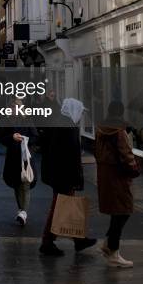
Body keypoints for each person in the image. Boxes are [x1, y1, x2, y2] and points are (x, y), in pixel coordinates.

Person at [39, 97, 96, 256]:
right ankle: (47, 241)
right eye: (80, 112)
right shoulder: (68, 127)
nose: (81, 115)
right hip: (64, 175)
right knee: (59, 207)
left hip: (59, 174)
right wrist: (75, 177)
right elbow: (70, 154)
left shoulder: (59, 123)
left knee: (66, 206)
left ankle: (78, 240)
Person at [95, 100, 139, 268]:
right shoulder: (119, 131)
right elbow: (126, 154)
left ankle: (108, 245)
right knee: (123, 211)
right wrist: (134, 169)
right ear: (120, 113)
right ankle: (113, 251)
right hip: (118, 178)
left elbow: (97, 152)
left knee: (117, 212)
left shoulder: (100, 129)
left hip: (106, 177)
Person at [1, 118, 39, 226]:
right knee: (16, 184)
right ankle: (21, 210)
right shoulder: (8, 122)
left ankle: (24, 212)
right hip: (12, 159)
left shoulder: (28, 121)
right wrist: (11, 137)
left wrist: (25, 139)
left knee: (25, 184)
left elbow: (35, 137)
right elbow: (2, 138)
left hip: (26, 157)